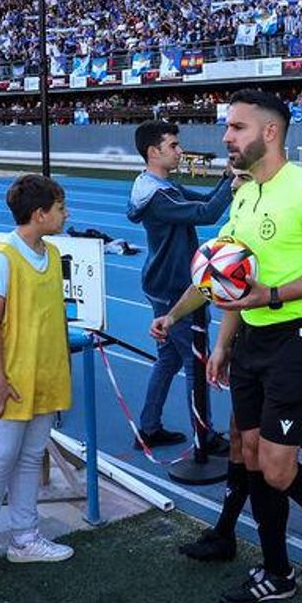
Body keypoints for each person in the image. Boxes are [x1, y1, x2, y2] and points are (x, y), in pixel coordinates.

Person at [150, 89, 302, 603]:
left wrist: (273, 296)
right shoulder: (246, 195)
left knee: (276, 467)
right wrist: (190, 324)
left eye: (237, 127)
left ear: (270, 132)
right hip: (250, 340)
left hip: (297, 342)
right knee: (247, 452)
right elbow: (224, 278)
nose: (226, 136)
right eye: (228, 127)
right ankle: (277, 571)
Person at [0, 174, 77, 592]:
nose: (65, 215)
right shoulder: (1, 259)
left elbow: (53, 315)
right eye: (60, 208)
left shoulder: (53, 253)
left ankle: (24, 538)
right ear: (39, 214)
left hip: (43, 376)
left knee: (29, 458)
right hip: (7, 381)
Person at [127, 120, 236, 452]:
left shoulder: (160, 186)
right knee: (195, 361)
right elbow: (207, 214)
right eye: (173, 145)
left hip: (162, 281)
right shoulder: (158, 197)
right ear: (153, 151)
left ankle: (148, 428)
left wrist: (227, 178)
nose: (180, 150)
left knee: (169, 359)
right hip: (174, 287)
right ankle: (204, 436)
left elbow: (204, 202)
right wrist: (234, 180)